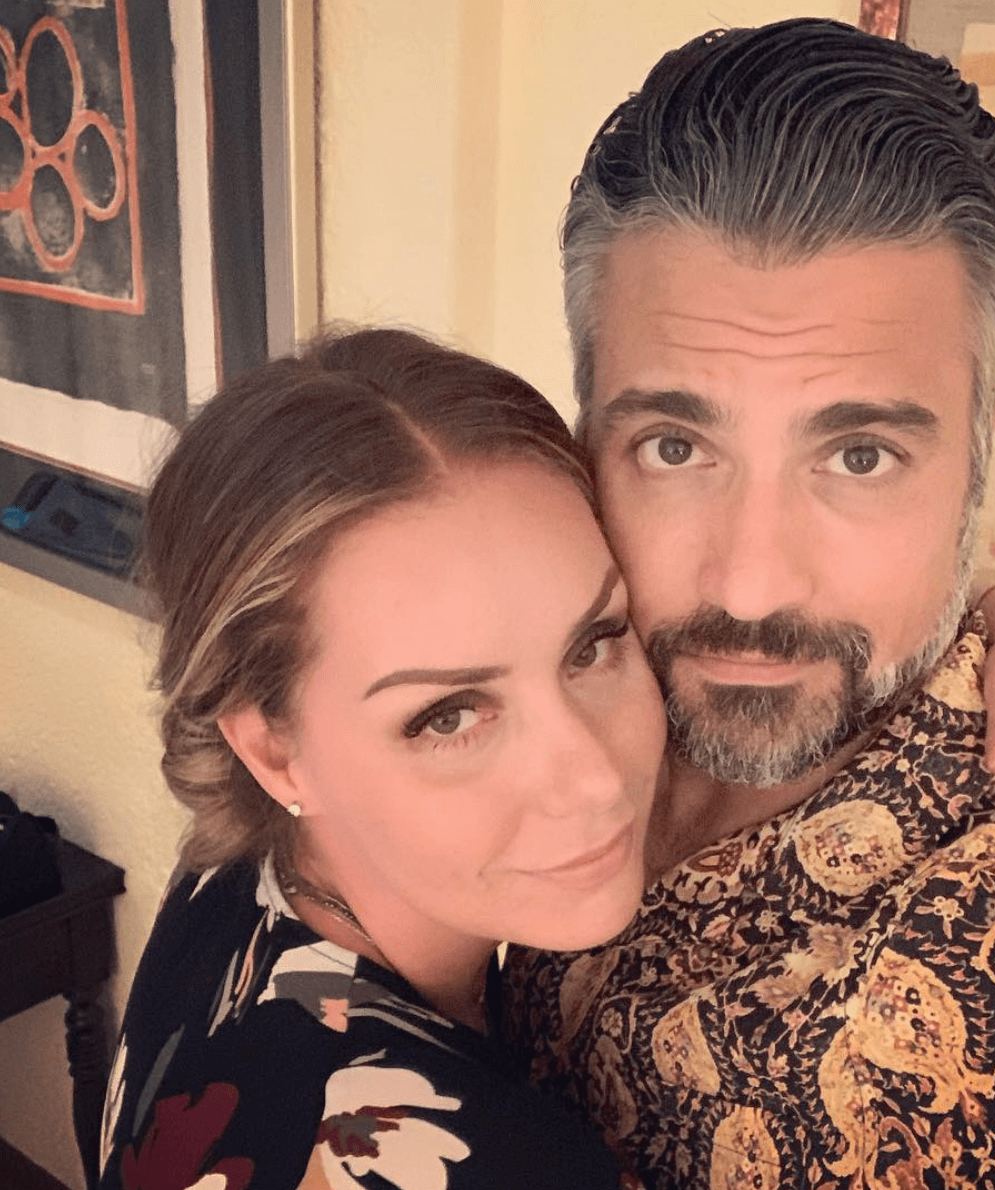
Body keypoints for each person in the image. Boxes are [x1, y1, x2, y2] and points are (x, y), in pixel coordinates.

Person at [505, 19, 995, 1188]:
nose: (750, 584)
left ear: (980, 445)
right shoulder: (541, 690)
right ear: (584, 434)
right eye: (675, 446)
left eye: (859, 455)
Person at [97, 328, 667, 1189]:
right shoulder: (487, 1165)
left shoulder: (231, 878)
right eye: (448, 717)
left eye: (595, 644)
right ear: (273, 751)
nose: (593, 778)